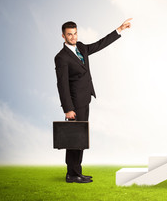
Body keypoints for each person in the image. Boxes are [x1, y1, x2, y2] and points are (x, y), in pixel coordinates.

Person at [54, 18, 132, 183]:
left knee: (80, 137)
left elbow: (99, 44)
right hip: (74, 103)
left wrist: (119, 29)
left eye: (75, 33)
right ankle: (72, 174)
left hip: (85, 99)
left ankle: (77, 171)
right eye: (69, 35)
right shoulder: (61, 57)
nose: (73, 37)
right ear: (63, 36)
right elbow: (62, 84)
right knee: (74, 138)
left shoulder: (81, 47)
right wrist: (68, 108)